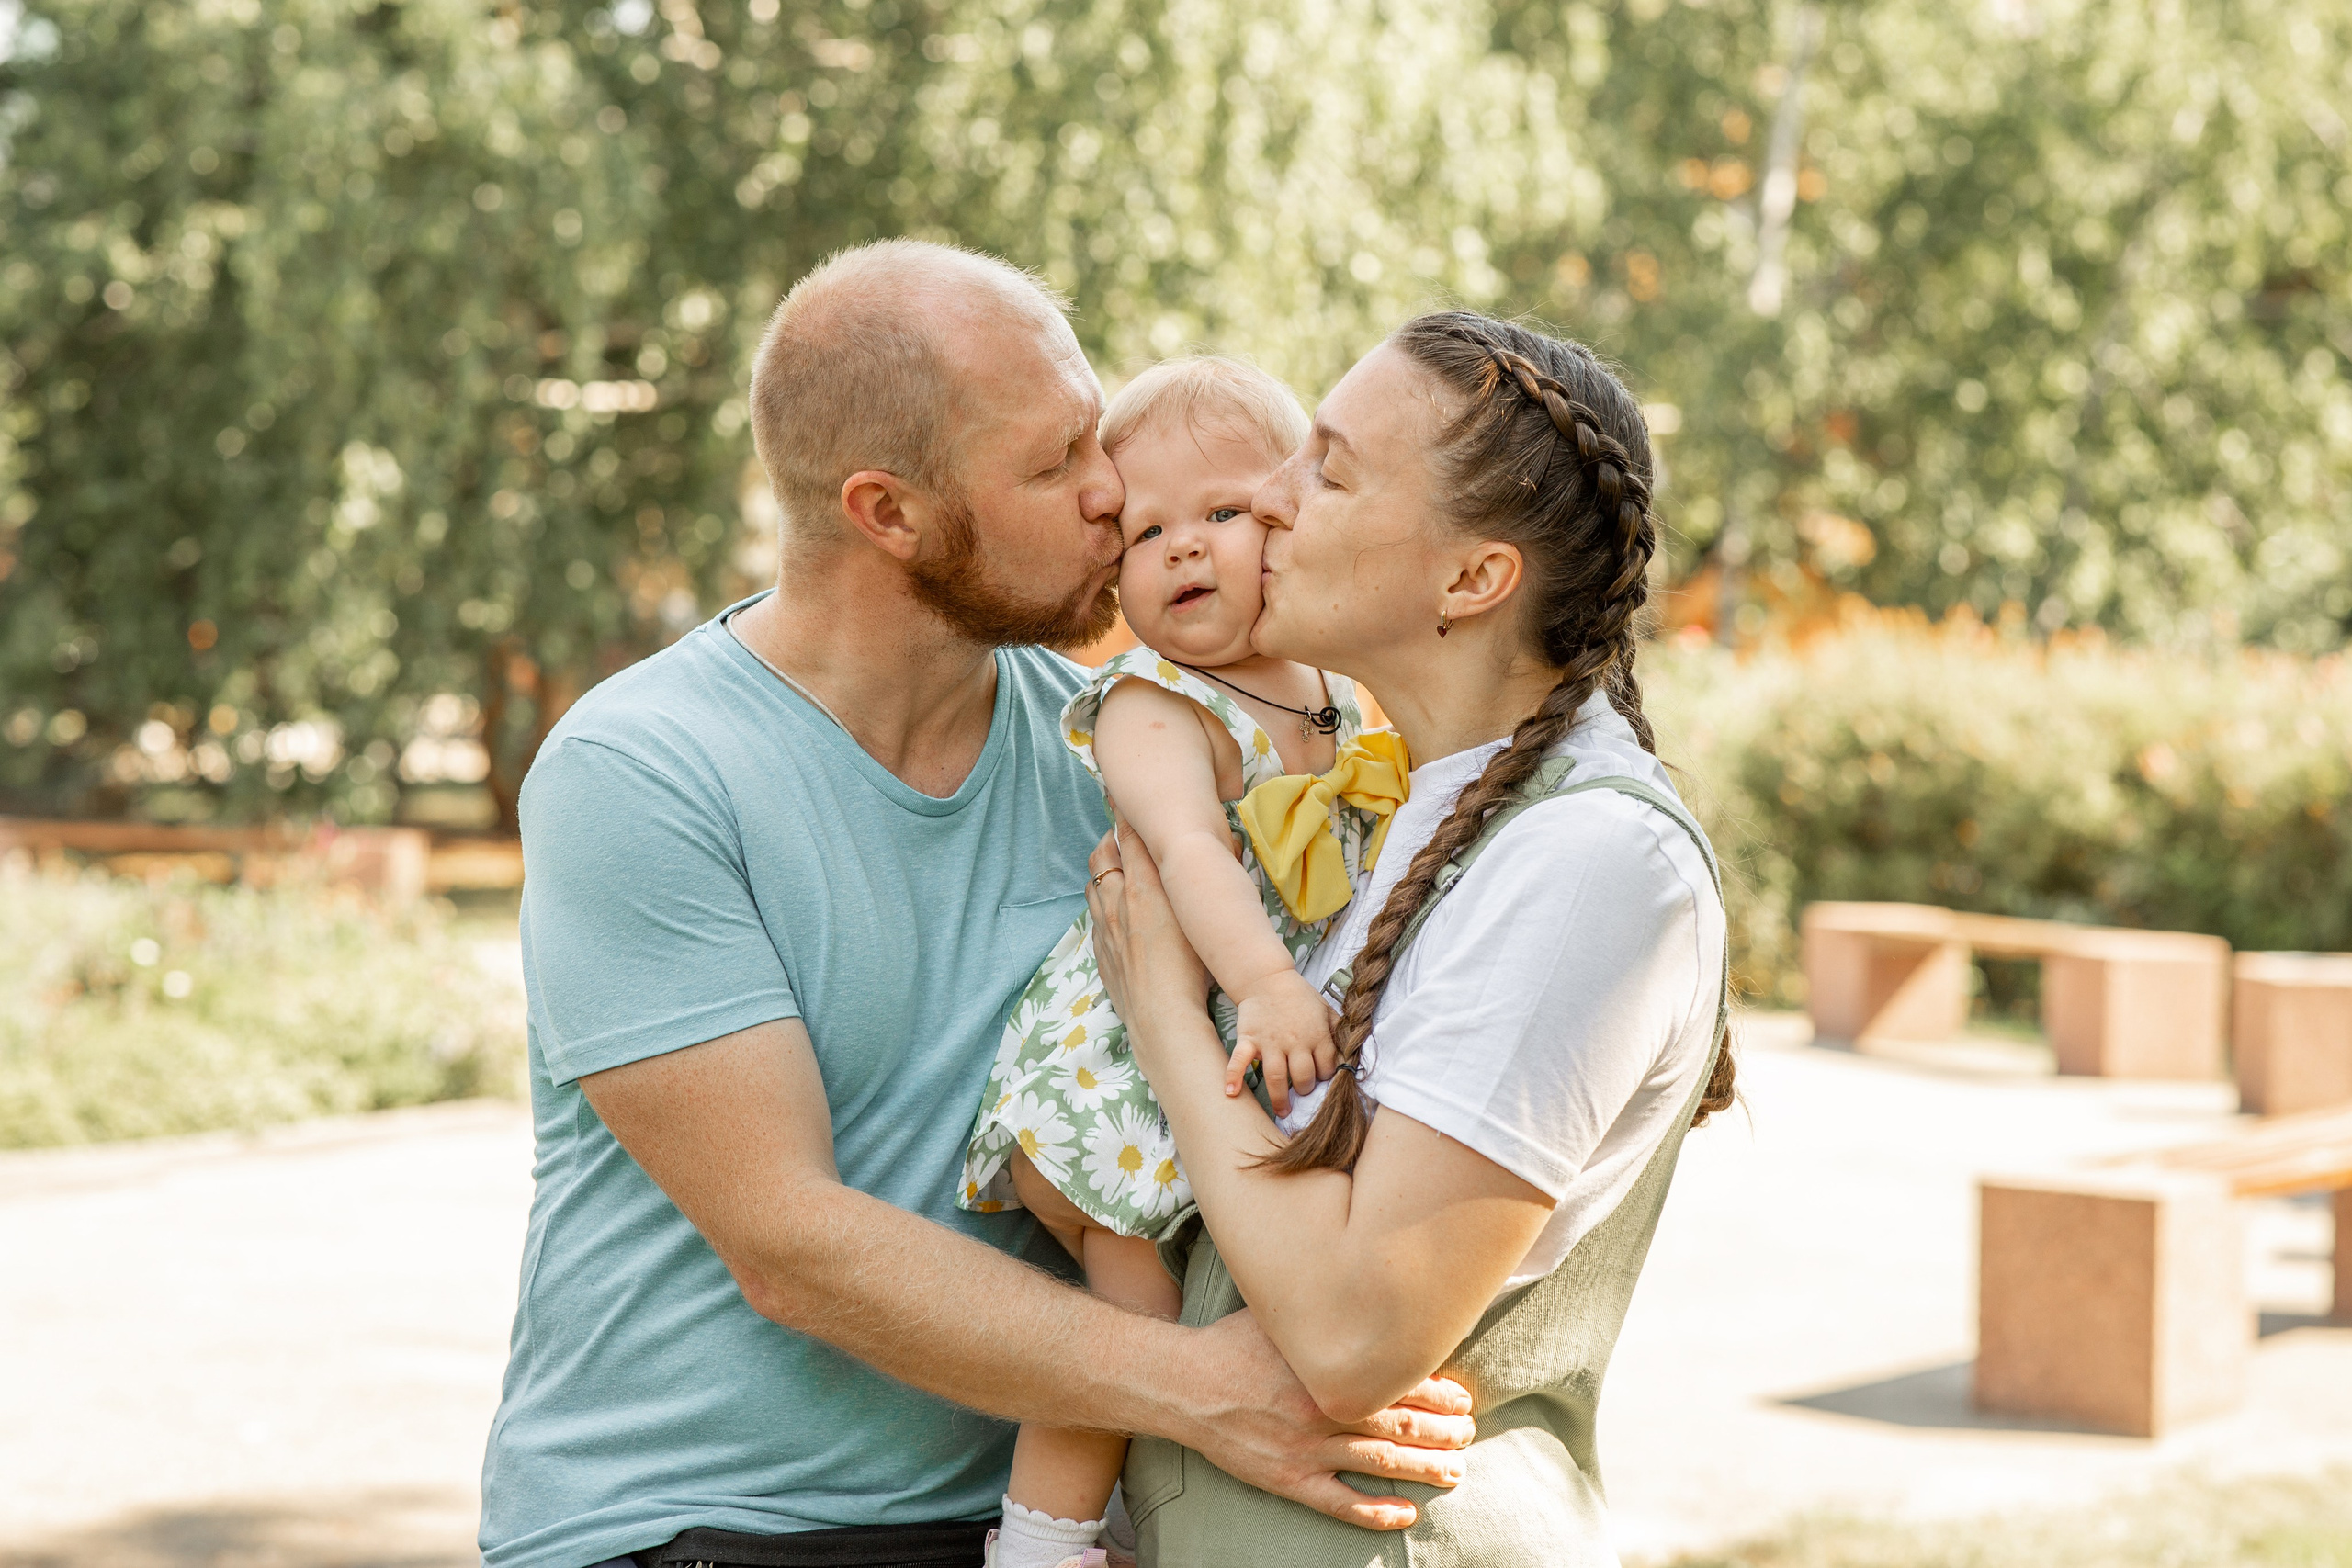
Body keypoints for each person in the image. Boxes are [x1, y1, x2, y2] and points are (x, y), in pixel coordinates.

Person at [476, 242, 1473, 1568]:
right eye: (1058, 462)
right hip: (693, 1530)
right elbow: (791, 1244)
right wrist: (1206, 1392)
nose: (1116, 494)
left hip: (1014, 1525)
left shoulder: (1121, 746)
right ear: (889, 513)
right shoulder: (642, 772)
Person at [1082, 311, 1737, 1565]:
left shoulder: (1585, 863)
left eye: (1325, 469)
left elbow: (1346, 1337)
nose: (1265, 503)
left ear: (1471, 580)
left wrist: (1163, 1008)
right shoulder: (1396, 818)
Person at [956, 357, 1408, 1568]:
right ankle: (1041, 1544)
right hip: (1120, 1068)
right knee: (1132, 1328)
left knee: (1229, 1289)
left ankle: (1123, 1520)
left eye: (1224, 513)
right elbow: (1191, 854)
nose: (1183, 549)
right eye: (1146, 530)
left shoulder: (1337, 691)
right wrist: (1265, 983)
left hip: (1237, 1048)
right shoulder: (1155, 702)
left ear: (1294, 522)